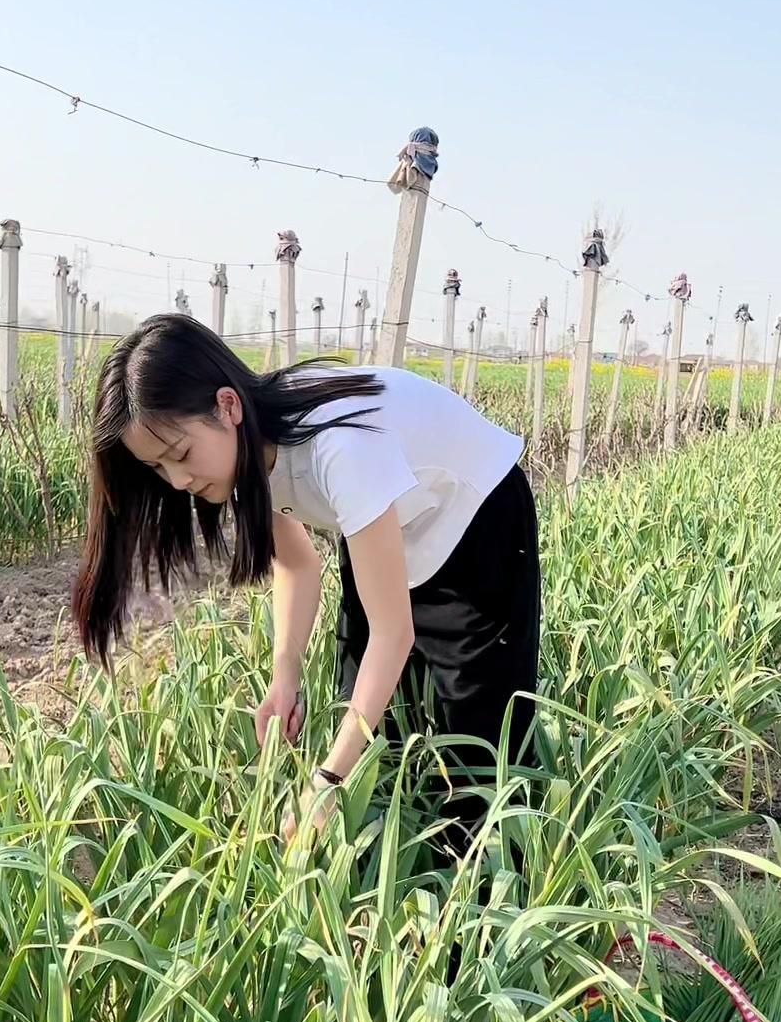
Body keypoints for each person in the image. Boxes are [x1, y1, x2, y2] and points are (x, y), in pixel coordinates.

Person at [72, 314, 540, 847]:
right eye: (158, 468)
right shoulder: (253, 443)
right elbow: (296, 563)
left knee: (477, 738)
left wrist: (327, 783)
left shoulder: (339, 451)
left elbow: (393, 635)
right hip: (384, 516)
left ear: (228, 406)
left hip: (476, 519)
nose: (178, 481)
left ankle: (488, 896)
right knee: (367, 721)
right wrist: (284, 673)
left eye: (179, 454)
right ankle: (383, 877)